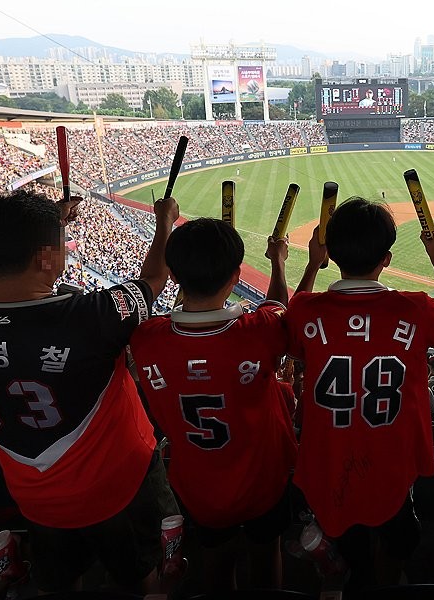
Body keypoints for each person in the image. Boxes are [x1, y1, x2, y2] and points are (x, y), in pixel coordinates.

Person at [0, 190, 180, 594]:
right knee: (144, 580)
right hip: (120, 487)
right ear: (45, 257)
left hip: (36, 498)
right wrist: (164, 221)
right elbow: (154, 277)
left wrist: (52, 231)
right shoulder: (91, 317)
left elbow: (13, 304)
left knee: (62, 583)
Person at [129, 219, 322, 592]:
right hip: (264, 481)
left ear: (173, 274)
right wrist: (285, 263)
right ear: (236, 275)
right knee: (267, 557)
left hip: (199, 489)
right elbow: (281, 308)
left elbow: (145, 293)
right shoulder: (258, 330)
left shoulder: (145, 338)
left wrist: (163, 223)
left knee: (217, 566)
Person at [285, 198, 434, 587]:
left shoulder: (305, 311)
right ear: (387, 259)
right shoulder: (414, 309)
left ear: (330, 252)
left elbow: (290, 327)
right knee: (398, 539)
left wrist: (314, 264)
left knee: (350, 549)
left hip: (329, 462)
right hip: (392, 462)